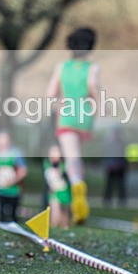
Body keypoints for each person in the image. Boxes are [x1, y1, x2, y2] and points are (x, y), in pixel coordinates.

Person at [45, 27, 100, 225]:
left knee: (70, 158)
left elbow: (50, 94)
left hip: (66, 116)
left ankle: (77, 190)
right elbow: (94, 90)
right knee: (76, 157)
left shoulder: (62, 66)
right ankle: (76, 194)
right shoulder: (93, 68)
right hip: (85, 116)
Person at [0, 130, 27, 223]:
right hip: (0, 189)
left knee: (13, 212)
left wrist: (12, 181)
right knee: (2, 212)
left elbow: (23, 170)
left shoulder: (16, 153)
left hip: (15, 189)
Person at [43, 144, 71, 228]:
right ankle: (53, 226)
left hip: (64, 191)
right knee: (55, 213)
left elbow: (67, 177)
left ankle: (64, 226)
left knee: (65, 213)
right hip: (54, 192)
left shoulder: (64, 164)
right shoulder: (47, 163)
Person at [102, 127, 128, 208]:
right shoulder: (108, 143)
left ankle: (122, 201)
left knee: (121, 184)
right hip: (110, 167)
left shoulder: (123, 143)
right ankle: (107, 200)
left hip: (121, 167)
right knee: (109, 185)